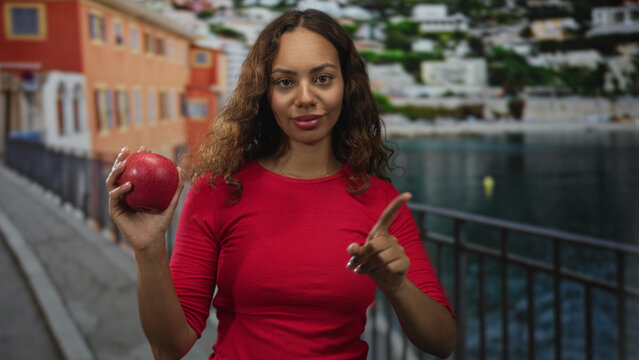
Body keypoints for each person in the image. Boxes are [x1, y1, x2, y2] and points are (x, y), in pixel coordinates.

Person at [106, 9, 457, 360]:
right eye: (285, 82)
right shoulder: (216, 190)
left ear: (346, 86)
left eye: (322, 78)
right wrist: (149, 250)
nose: (305, 97)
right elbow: (169, 348)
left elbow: (443, 343)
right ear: (265, 93)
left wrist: (396, 285)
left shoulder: (381, 200)